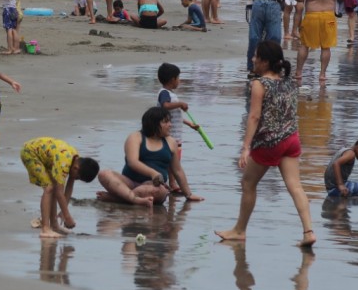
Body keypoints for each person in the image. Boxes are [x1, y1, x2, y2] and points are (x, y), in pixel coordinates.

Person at [216, 41, 316, 247]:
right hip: (292, 139)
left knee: (248, 183)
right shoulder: (288, 81)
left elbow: (254, 117)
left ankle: (239, 230)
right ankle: (308, 232)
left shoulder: (259, 84)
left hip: (270, 142)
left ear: (265, 62)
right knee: (296, 187)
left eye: (256, 57)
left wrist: (245, 148)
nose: (253, 59)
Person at [97, 107, 203, 207]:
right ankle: (134, 199)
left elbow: (178, 170)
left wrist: (188, 194)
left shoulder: (171, 142)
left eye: (170, 121)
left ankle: (120, 199)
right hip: (129, 182)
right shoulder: (135, 137)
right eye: (166, 122)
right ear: (154, 124)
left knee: (160, 191)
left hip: (153, 186)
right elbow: (132, 162)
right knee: (104, 174)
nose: (170, 125)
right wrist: (153, 173)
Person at [20, 137, 100, 238]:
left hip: (44, 157)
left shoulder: (75, 160)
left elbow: (69, 188)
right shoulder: (64, 162)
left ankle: (54, 225)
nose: (75, 179)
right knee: (49, 188)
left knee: (53, 187)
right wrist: (67, 217)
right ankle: (45, 229)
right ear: (76, 168)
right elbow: (59, 193)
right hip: (30, 153)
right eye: (77, 177)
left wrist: (63, 212)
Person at [293, 0, 344, 83]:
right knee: (326, 47)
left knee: (305, 45)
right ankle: (322, 74)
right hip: (329, 17)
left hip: (312, 16)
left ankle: (299, 72)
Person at [157, 63, 201, 192]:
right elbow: (165, 106)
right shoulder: (165, 94)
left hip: (174, 134)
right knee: (174, 161)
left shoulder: (170, 94)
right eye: (178, 78)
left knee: (174, 160)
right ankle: (173, 184)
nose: (179, 81)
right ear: (172, 80)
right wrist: (180, 103)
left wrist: (189, 124)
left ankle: (172, 183)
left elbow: (176, 116)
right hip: (169, 135)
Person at [246, 0, 290, 75]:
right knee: (274, 38)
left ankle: (252, 68)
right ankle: (271, 68)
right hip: (274, 4)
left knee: (254, 37)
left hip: (258, 2)